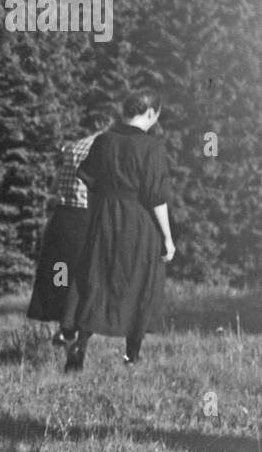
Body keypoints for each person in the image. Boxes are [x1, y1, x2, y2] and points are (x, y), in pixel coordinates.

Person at [60, 91, 174, 371]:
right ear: (150, 113)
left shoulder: (103, 140)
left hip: (104, 220)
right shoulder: (152, 147)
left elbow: (88, 179)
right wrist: (168, 238)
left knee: (96, 281)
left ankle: (80, 345)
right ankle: (130, 357)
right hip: (139, 224)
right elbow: (156, 197)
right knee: (140, 284)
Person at [26, 118, 109, 345]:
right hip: (86, 217)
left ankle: (64, 326)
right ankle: (71, 329)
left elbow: (55, 186)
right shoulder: (104, 149)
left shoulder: (73, 147)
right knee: (85, 276)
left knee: (61, 273)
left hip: (62, 217)